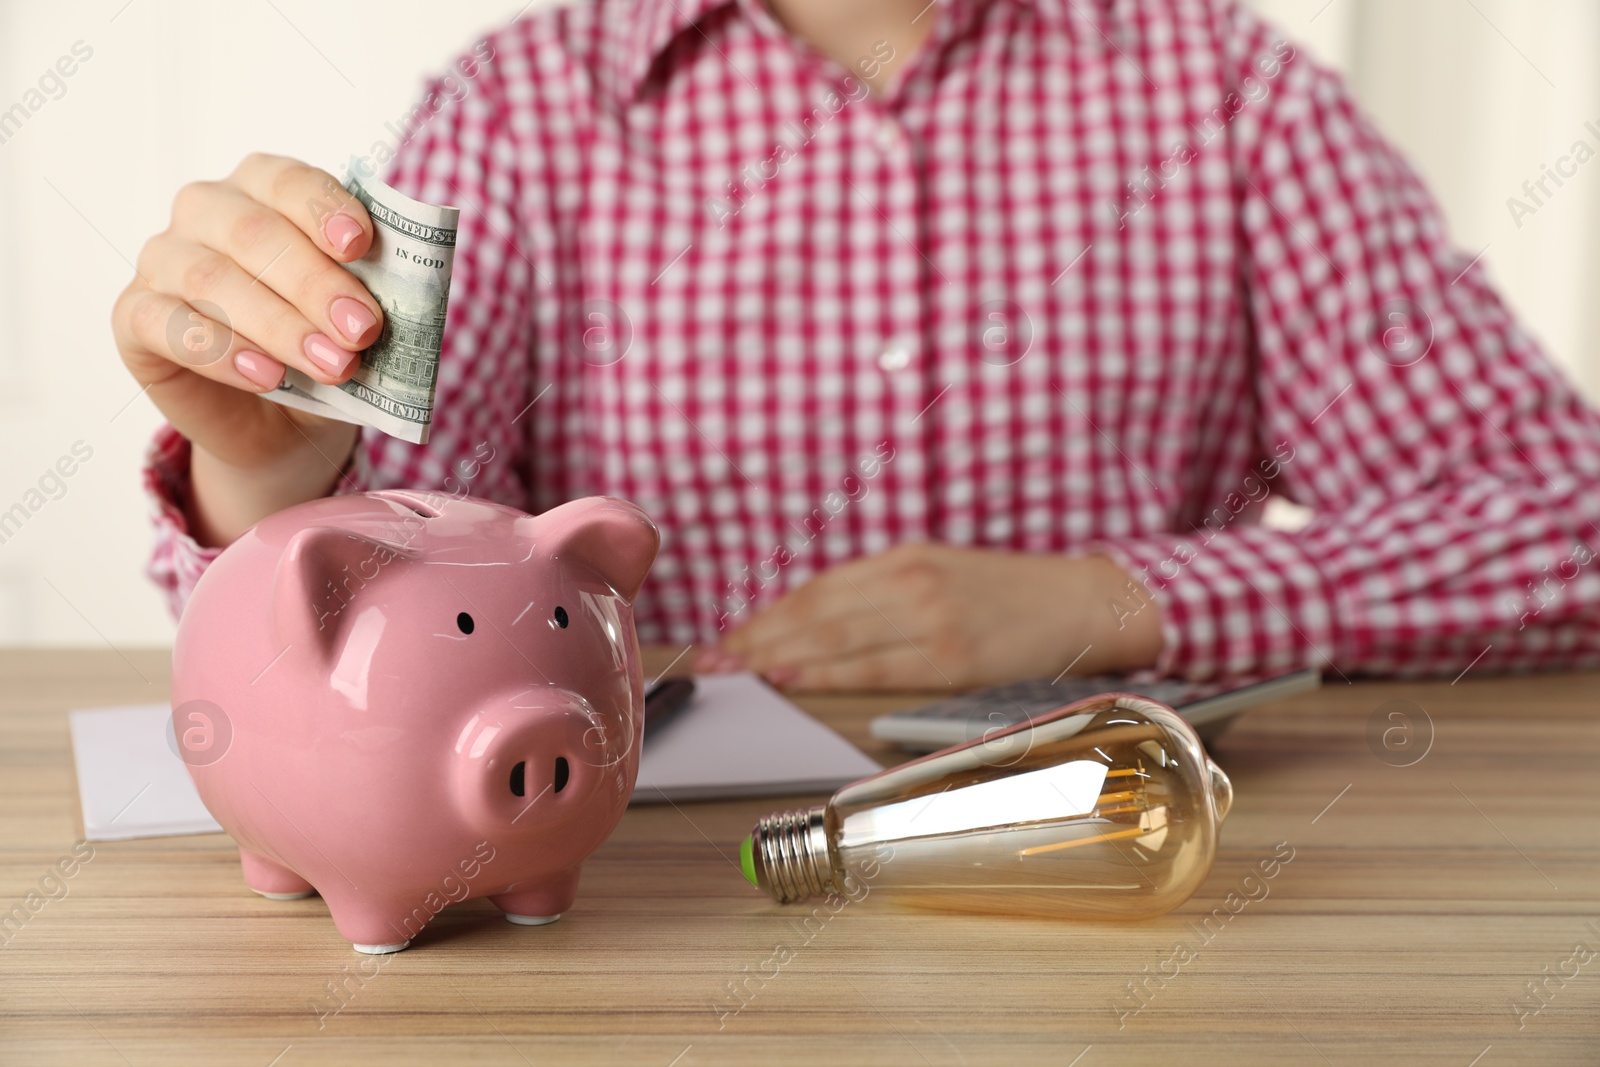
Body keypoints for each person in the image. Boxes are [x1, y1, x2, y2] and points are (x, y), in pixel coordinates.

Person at [115, 0, 1600, 691]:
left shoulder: (1228, 90)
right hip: (640, 927)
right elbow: (379, 615)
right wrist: (273, 476)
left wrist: (1123, 599)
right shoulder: (514, 115)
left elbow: (1566, 531)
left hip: (1149, 897)